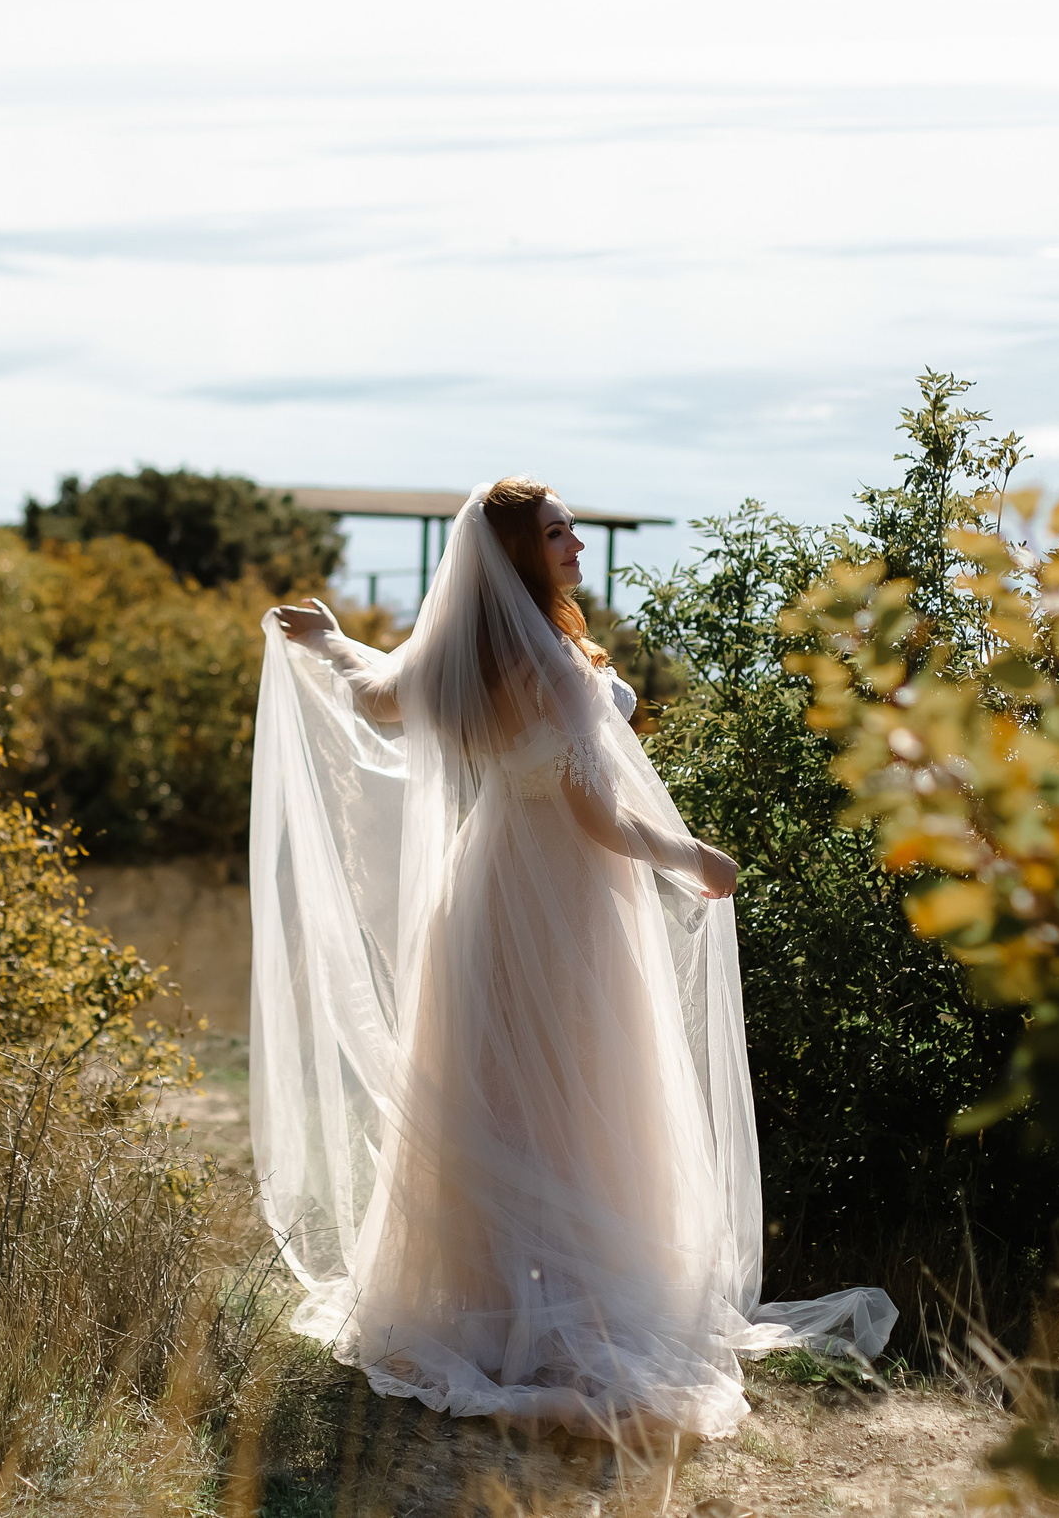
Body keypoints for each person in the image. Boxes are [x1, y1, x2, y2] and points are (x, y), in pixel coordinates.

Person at [250, 477, 894, 1444]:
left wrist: (332, 639)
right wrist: (693, 857)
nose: (577, 545)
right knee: (577, 1094)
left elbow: (378, 698)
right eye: (557, 534)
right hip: (567, 899)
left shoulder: (467, 653)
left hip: (486, 892)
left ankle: (485, 1302)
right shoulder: (550, 665)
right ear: (518, 554)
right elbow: (595, 816)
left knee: (496, 1092)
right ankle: (566, 1316)